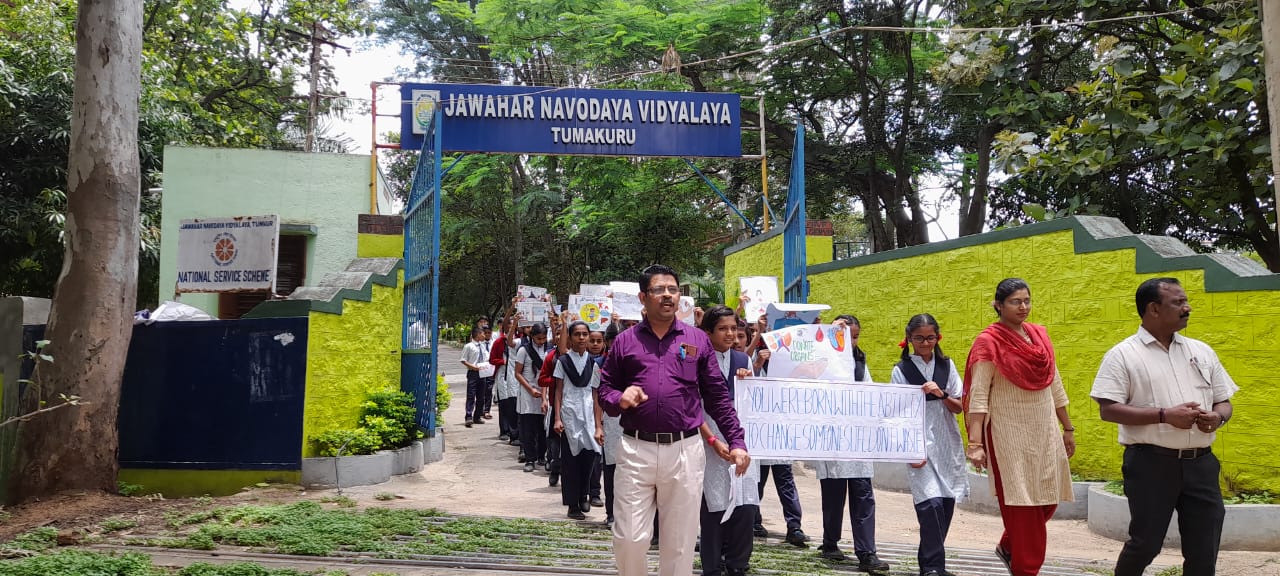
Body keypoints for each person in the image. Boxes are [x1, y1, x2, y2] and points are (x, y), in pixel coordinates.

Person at [599, 264, 750, 576]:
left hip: (685, 451)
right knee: (629, 538)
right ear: (643, 297)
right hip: (635, 449)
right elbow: (605, 389)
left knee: (679, 543)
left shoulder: (697, 339)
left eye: (672, 289)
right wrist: (619, 399)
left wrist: (736, 441)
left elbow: (717, 396)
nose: (667, 295)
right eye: (658, 289)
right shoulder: (625, 342)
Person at [1090, 278, 1236, 576]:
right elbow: (1108, 410)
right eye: (1179, 302)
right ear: (1153, 309)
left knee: (1204, 546)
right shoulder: (1123, 355)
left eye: (1186, 301)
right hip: (1150, 464)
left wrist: (1217, 418)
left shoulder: (1201, 351)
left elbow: (1224, 401)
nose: (1187, 308)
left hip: (1201, 465)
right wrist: (1163, 415)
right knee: (1145, 544)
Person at [964, 278, 1075, 576]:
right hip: (1008, 434)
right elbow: (979, 395)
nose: (1023, 307)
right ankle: (1026, 569)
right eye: (1015, 301)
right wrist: (975, 444)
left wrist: (1068, 428)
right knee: (1024, 508)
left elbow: (1056, 385)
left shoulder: (1039, 337)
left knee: (1048, 500)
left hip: (1045, 430)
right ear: (998, 305)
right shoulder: (988, 341)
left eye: (1027, 300)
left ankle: (1008, 546)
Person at [890, 314, 967, 576]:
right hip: (919, 441)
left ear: (938, 337)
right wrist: (909, 448)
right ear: (909, 339)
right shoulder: (901, 371)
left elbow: (958, 406)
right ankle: (933, 568)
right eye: (919, 338)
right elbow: (898, 413)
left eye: (930, 338)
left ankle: (929, 563)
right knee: (929, 503)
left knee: (945, 504)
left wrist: (940, 393)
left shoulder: (947, 365)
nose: (925, 343)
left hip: (946, 440)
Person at [810, 314, 888, 572]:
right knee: (833, 495)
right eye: (844, 336)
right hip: (832, 440)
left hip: (857, 440)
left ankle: (867, 552)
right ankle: (830, 543)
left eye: (854, 337)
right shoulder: (819, 361)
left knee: (863, 494)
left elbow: (869, 393)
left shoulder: (860, 363)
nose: (851, 341)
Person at [697, 305, 758, 576]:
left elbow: (754, 401)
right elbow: (693, 404)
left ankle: (738, 563)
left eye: (734, 328)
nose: (730, 333)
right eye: (723, 328)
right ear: (707, 332)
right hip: (708, 437)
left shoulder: (742, 360)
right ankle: (712, 564)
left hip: (738, 438)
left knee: (744, 502)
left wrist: (749, 379)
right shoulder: (698, 359)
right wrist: (710, 438)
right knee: (713, 503)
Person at [554, 321, 604, 520]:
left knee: (590, 457)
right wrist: (557, 418)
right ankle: (572, 504)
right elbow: (558, 391)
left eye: (585, 334)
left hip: (589, 414)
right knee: (570, 461)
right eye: (577, 334)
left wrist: (599, 423)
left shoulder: (594, 363)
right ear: (571, 337)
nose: (582, 338)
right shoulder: (563, 361)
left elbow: (596, 393)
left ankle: (585, 494)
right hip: (570, 413)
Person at [514, 323, 551, 472]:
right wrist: (530, 389)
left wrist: (543, 394)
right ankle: (530, 459)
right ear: (532, 337)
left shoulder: (549, 351)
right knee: (528, 429)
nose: (541, 341)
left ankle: (542, 456)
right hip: (527, 393)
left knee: (543, 428)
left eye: (543, 338)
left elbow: (547, 374)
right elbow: (517, 373)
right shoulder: (523, 350)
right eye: (538, 338)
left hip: (543, 392)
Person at [600, 321, 623, 527]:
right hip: (610, 423)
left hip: (631, 424)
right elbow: (596, 395)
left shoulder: (634, 364)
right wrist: (598, 426)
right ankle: (611, 513)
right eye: (612, 341)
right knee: (611, 469)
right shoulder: (600, 364)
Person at [491, 313, 520, 444]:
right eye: (509, 324)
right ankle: (504, 430)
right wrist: (503, 362)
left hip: (516, 374)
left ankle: (516, 431)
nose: (511, 326)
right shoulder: (499, 342)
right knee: (504, 403)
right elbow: (492, 359)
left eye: (514, 324)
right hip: (503, 374)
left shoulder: (520, 340)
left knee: (515, 403)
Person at [460, 325, 489, 428]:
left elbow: (486, 357)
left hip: (482, 372)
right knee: (471, 395)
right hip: (473, 372)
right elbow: (463, 360)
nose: (484, 335)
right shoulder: (469, 346)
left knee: (481, 396)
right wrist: (473, 366)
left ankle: (477, 416)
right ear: (477, 335)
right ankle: (468, 416)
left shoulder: (483, 345)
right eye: (482, 333)